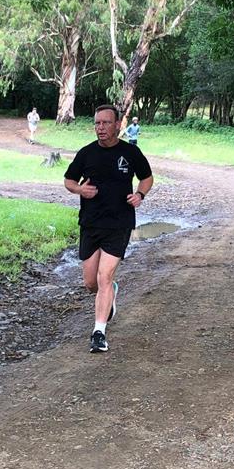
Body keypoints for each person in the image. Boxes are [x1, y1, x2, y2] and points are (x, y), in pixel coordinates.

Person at [64, 105, 154, 353]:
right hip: (91, 223)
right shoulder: (86, 154)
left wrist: (140, 195)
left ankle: (99, 333)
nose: (100, 128)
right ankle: (111, 292)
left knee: (104, 276)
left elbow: (147, 177)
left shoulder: (130, 152)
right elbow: (68, 180)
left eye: (105, 123)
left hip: (119, 223)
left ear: (117, 125)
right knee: (91, 283)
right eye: (97, 123)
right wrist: (80, 190)